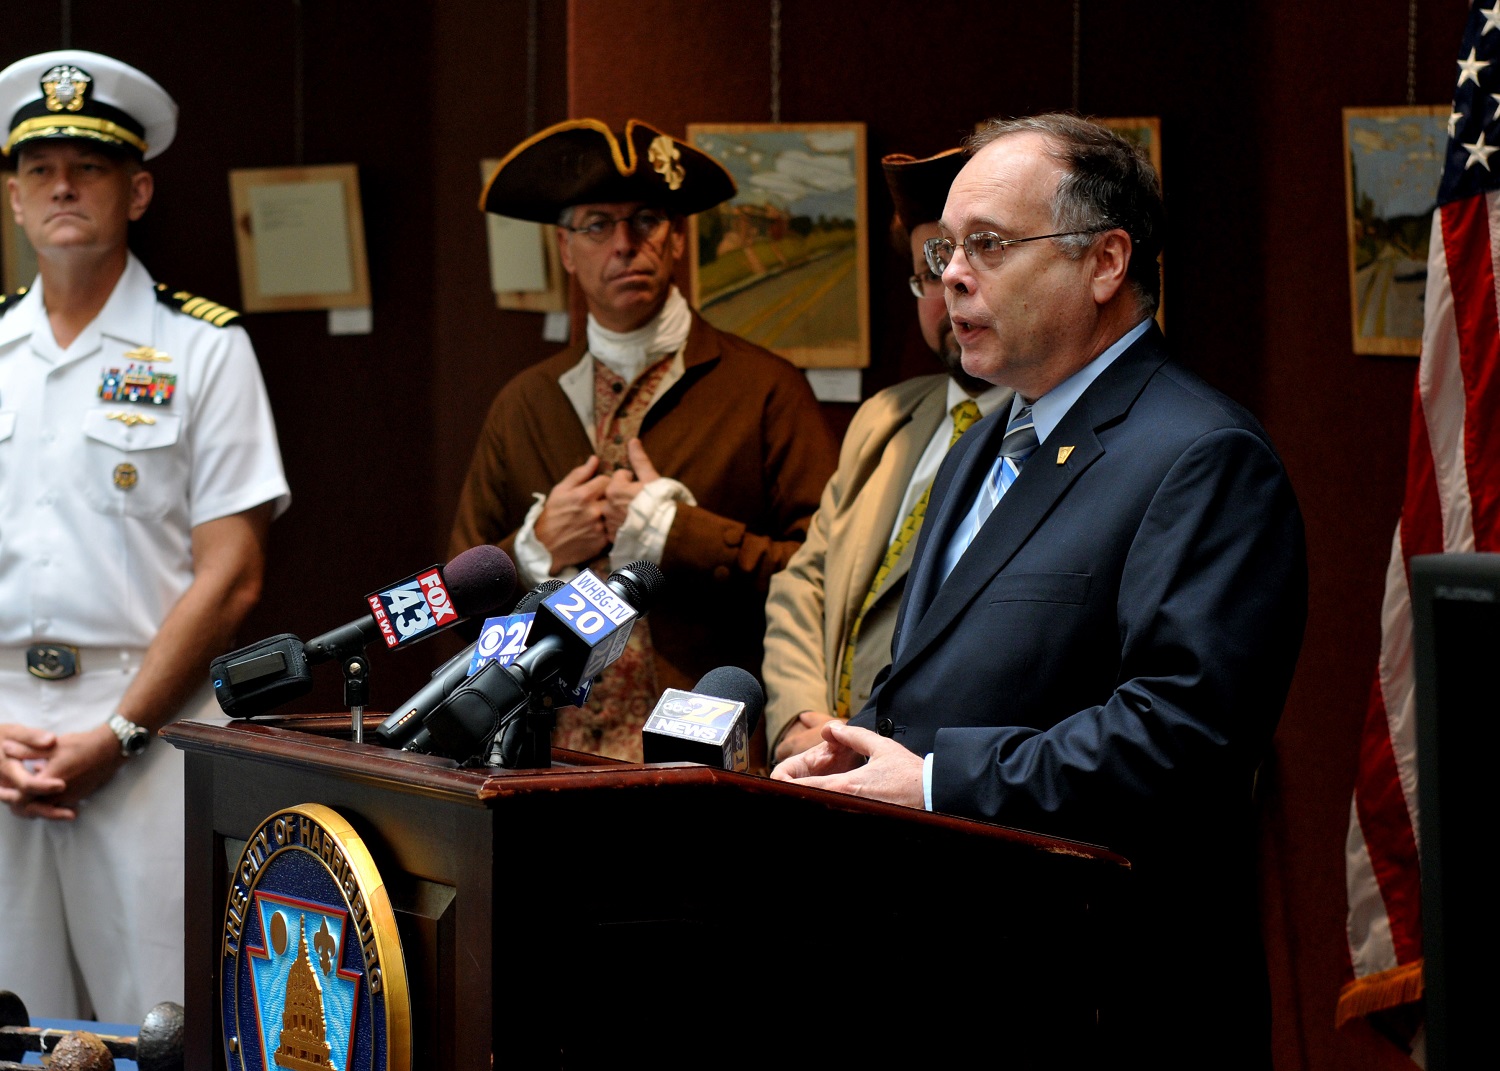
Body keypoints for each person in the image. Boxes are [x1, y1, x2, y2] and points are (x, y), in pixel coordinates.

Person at [772, 115, 1306, 1061]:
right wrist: (856, 766)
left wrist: (937, 780)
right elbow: (933, 677)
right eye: (944, 250)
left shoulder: (1203, 456)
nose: (951, 277)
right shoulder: (983, 441)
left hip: (1100, 996)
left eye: (987, 246)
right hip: (943, 976)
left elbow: (1179, 738)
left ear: (1106, 263)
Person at [0, 51, 289, 1023]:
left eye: (89, 165)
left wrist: (119, 734)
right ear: (12, 197)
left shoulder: (204, 349)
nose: (63, 186)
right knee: (9, 1025)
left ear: (139, 189)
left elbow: (234, 573)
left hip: (151, 736)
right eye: (40, 168)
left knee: (159, 1025)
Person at [451, 118, 835, 762]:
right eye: (597, 225)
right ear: (566, 251)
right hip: (538, 754)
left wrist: (676, 536)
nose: (625, 243)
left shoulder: (766, 388)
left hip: (698, 757)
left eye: (647, 219)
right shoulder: (525, 402)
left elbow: (822, 585)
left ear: (677, 239)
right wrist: (532, 549)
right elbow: (455, 600)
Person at [762, 148, 1013, 762]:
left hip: (936, 784)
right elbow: (806, 581)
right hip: (827, 763)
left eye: (975, 255)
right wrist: (801, 719)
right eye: (929, 269)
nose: (950, 287)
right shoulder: (884, 418)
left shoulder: (1043, 431)